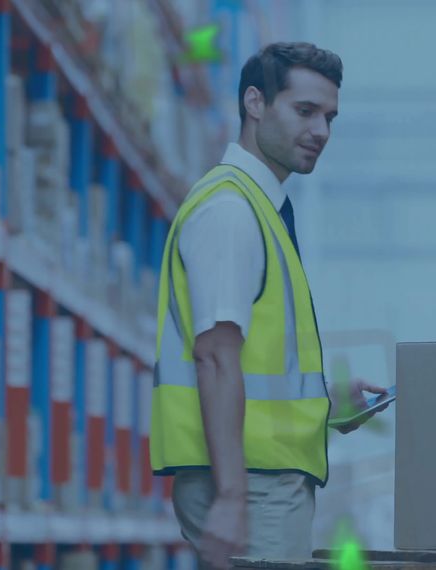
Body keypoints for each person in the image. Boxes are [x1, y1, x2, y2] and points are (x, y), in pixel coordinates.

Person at [150, 41, 390, 569]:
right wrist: (233, 498)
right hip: (249, 486)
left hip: (261, 479)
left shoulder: (259, 207)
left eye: (329, 117)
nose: (321, 132)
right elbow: (214, 356)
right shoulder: (231, 212)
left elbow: (259, 370)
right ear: (255, 103)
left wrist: (323, 403)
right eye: (304, 111)